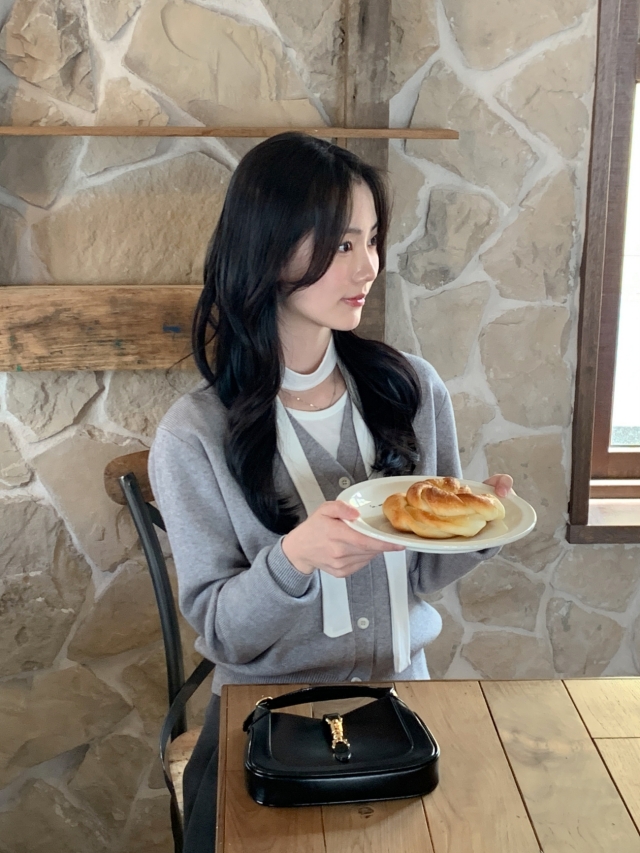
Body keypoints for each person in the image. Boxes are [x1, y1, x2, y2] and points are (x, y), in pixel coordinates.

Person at [149, 131, 512, 851]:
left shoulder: (411, 389)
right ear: (269, 248)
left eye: (372, 240)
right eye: (343, 244)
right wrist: (294, 560)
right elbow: (221, 631)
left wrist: (478, 529)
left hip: (401, 706)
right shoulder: (194, 434)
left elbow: (425, 572)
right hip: (267, 724)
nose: (369, 265)